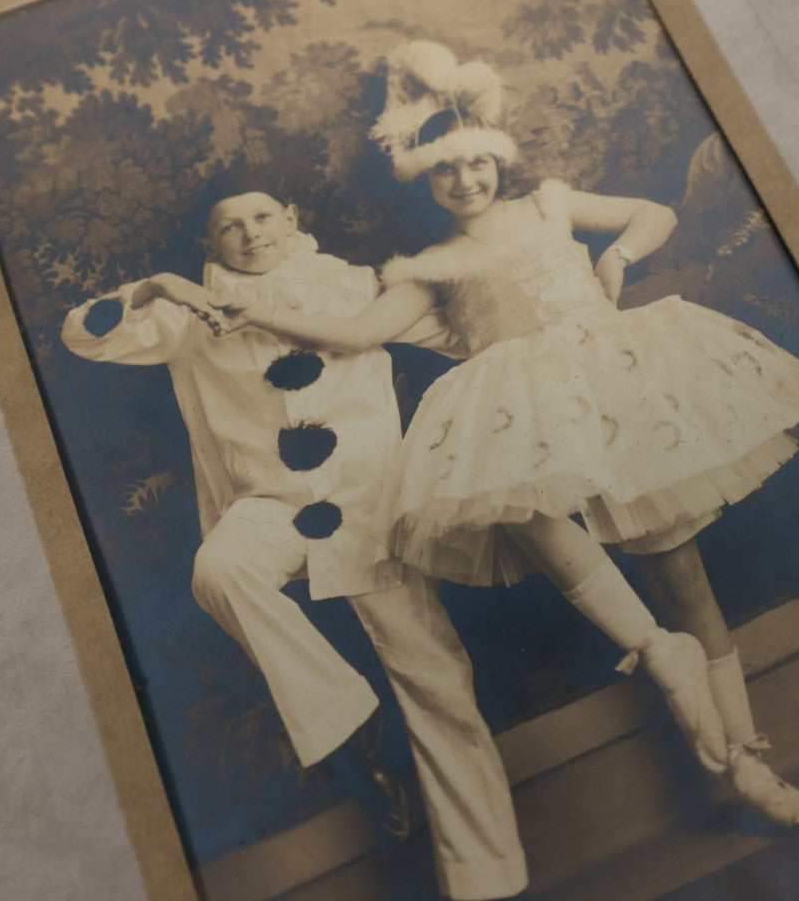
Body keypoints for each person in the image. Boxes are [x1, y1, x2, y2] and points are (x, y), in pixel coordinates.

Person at [215, 41, 799, 827]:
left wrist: (617, 263)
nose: (466, 180)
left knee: (684, 577)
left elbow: (654, 212)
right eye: (446, 170)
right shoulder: (430, 263)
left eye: (475, 162)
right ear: (424, 180)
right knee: (512, 499)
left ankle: (747, 758)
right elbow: (354, 332)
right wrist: (257, 310)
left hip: (619, 394)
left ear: (496, 156)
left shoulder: (549, 205)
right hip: (523, 413)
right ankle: (664, 665)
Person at [60, 181, 528, 900]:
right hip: (270, 506)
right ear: (207, 246)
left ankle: (487, 879)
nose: (249, 234)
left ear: (292, 221)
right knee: (218, 570)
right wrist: (157, 286)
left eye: (262, 217)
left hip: (371, 503)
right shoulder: (185, 314)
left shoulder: (351, 286)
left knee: (437, 683)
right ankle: (347, 718)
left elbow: (457, 331)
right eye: (228, 227)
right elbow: (87, 334)